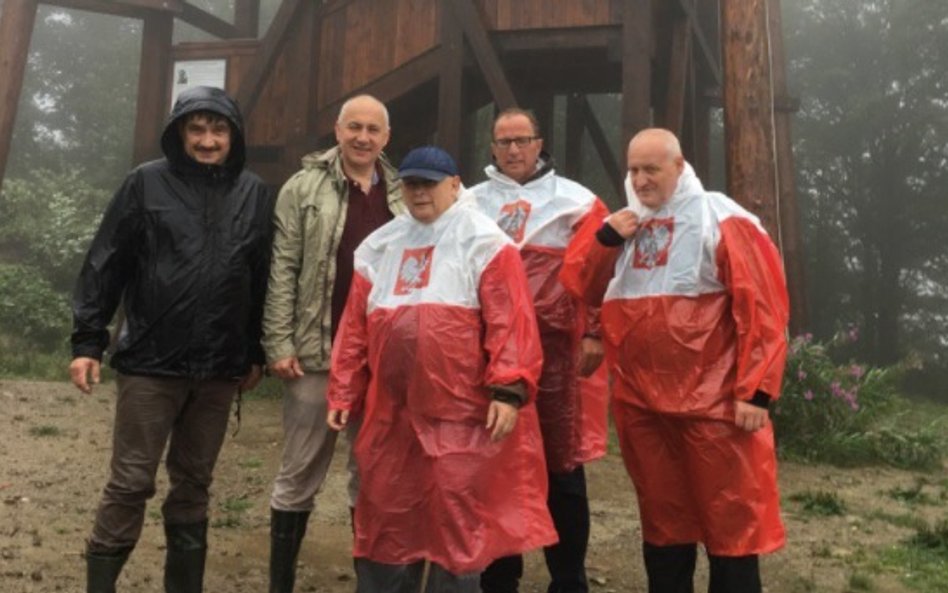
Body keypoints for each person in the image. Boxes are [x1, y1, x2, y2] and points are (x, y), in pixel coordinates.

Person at [560, 128, 789, 593]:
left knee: (732, 523)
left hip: (716, 407)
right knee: (664, 521)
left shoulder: (719, 216)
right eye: (634, 170)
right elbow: (582, 288)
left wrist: (757, 390)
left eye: (651, 169)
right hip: (642, 405)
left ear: (679, 167)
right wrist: (605, 241)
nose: (641, 180)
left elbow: (761, 306)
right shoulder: (625, 223)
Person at [69, 86, 274, 593]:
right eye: (197, 129)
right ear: (180, 132)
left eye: (218, 130)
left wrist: (255, 352)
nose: (208, 140)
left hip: (219, 369)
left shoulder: (253, 192)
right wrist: (87, 342)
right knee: (131, 481)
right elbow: (105, 262)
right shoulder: (144, 184)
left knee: (194, 486)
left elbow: (261, 278)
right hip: (150, 363)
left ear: (234, 136)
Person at [327, 146, 557, 593]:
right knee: (388, 516)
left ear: (454, 184)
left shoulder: (485, 242)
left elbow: (511, 323)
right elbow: (354, 327)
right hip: (392, 417)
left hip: (463, 418)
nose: (418, 192)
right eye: (411, 183)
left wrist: (508, 390)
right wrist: (342, 389)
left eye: (428, 183)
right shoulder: (381, 245)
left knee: (455, 522)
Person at [262, 94, 404, 593]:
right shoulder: (303, 187)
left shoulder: (406, 193)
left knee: (371, 474)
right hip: (316, 350)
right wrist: (278, 341)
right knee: (300, 471)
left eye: (373, 129)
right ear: (337, 129)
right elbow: (283, 266)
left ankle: (371, 582)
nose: (363, 137)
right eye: (354, 127)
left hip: (383, 357)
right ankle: (281, 583)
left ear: (386, 137)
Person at [469, 108, 609, 593]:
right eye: (503, 142)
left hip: (556, 353)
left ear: (539, 143)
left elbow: (599, 266)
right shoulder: (469, 201)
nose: (512, 150)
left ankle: (568, 578)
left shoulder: (576, 200)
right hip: (490, 352)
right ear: (492, 147)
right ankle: (499, 575)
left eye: (521, 140)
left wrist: (594, 330)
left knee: (562, 466)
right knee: (495, 464)